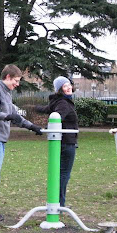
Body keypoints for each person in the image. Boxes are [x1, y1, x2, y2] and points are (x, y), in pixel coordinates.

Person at [0, 64, 43, 223]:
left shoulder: (7, 94)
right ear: (7, 77)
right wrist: (5, 116)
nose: (17, 84)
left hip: (0, 139)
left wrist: (32, 127)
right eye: (16, 80)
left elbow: (16, 116)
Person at [35, 76, 78, 207]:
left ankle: (58, 202)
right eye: (65, 86)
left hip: (64, 142)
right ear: (60, 90)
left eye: (69, 84)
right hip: (67, 143)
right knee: (64, 174)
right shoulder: (64, 103)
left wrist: (32, 108)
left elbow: (47, 109)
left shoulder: (59, 101)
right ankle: (59, 203)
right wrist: (48, 129)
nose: (69, 87)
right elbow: (57, 117)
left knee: (61, 173)